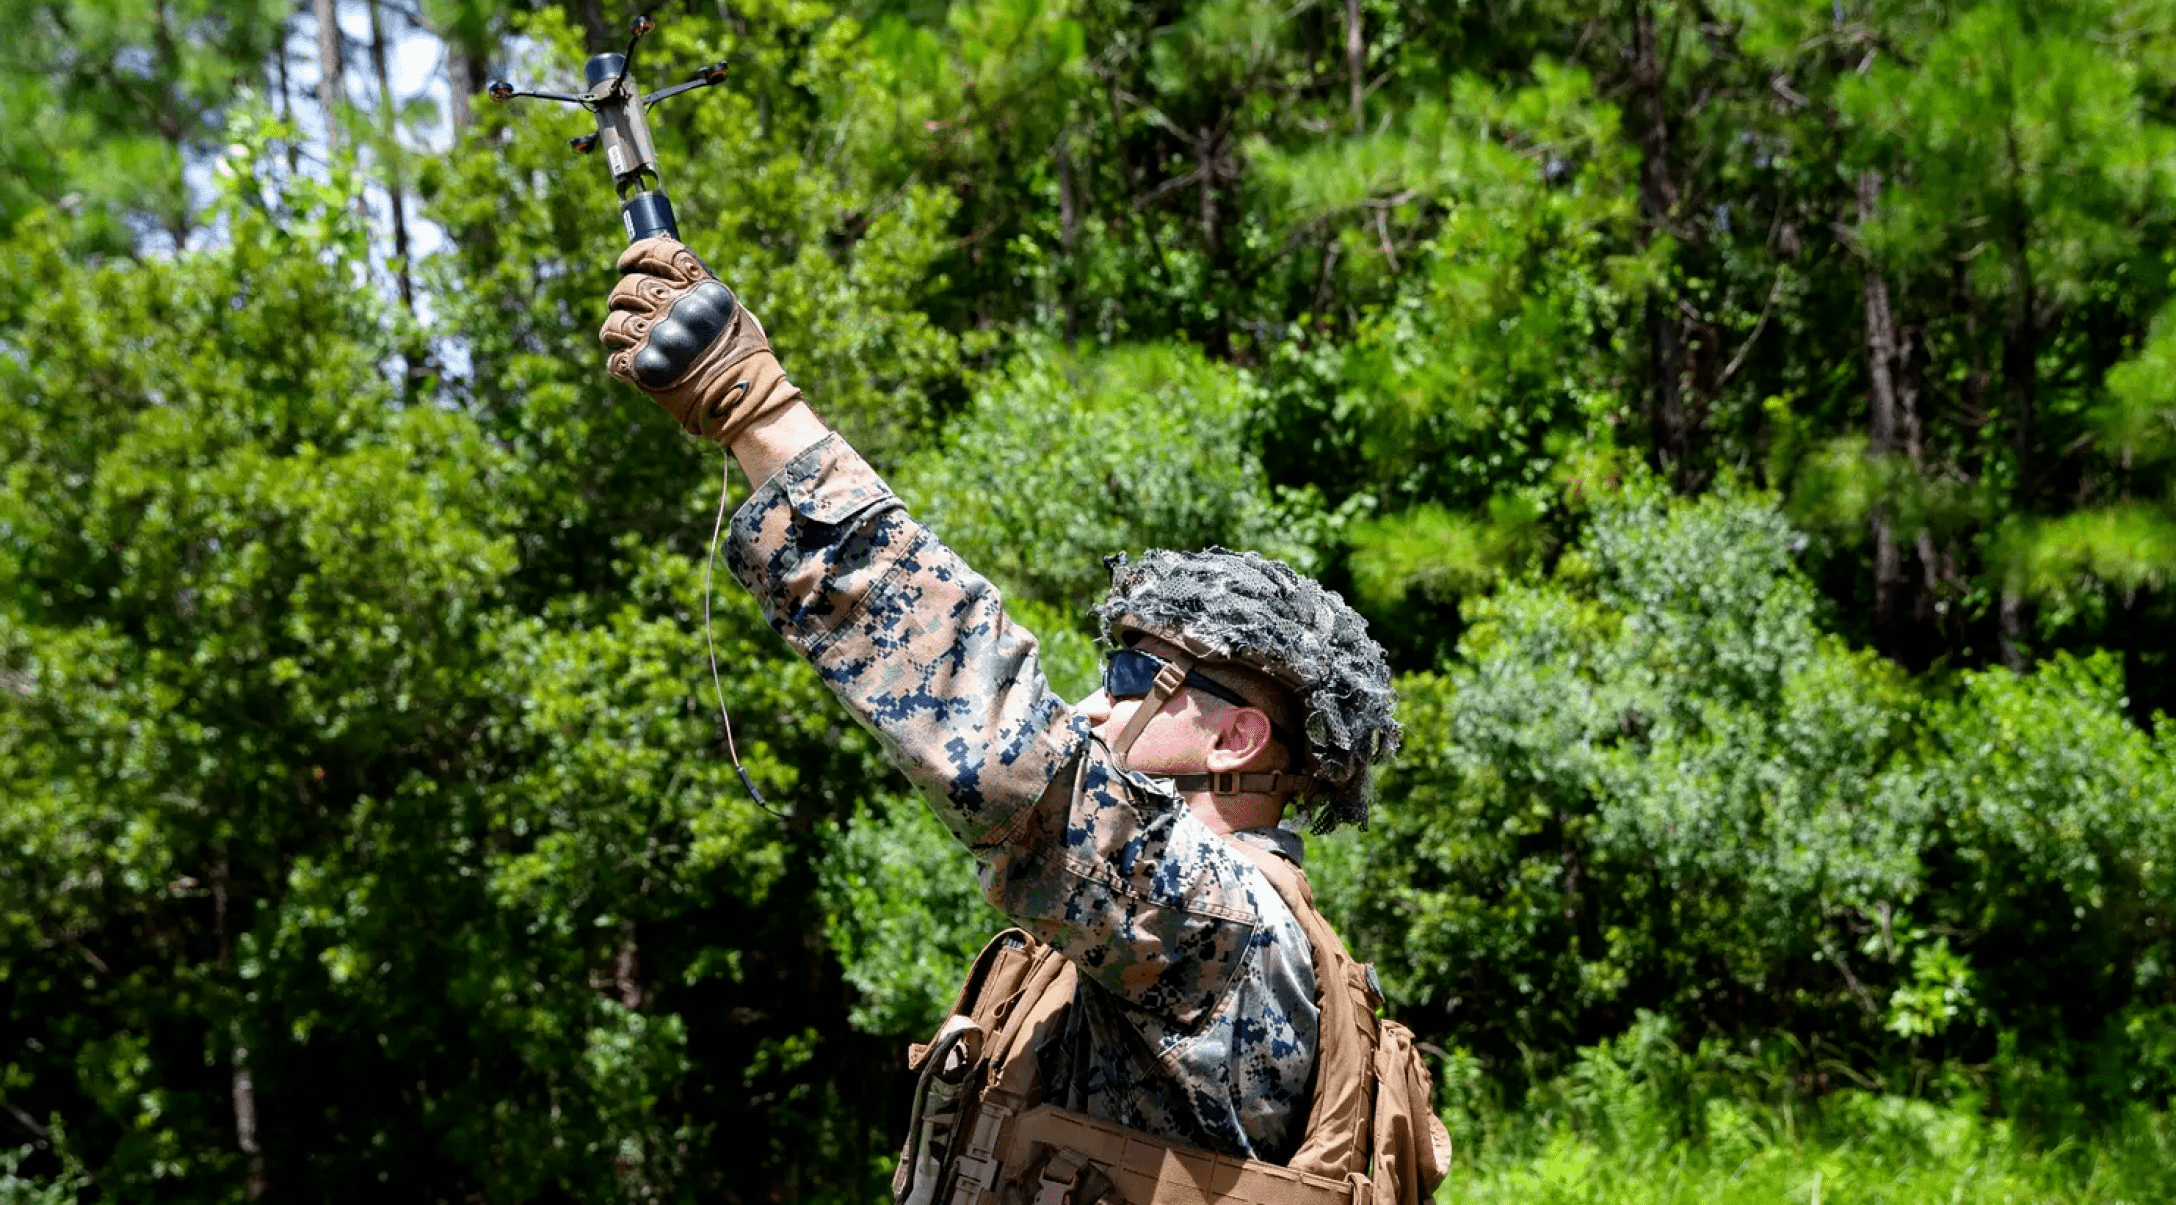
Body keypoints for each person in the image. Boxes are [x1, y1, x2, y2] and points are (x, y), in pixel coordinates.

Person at [599, 238, 1446, 1205]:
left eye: (1134, 674)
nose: (1094, 701)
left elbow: (1006, 758)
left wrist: (758, 411)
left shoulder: (1228, 925)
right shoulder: (1170, 928)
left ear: (1237, 737)